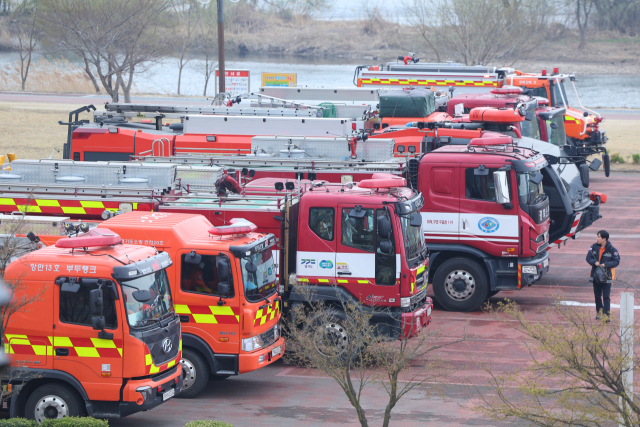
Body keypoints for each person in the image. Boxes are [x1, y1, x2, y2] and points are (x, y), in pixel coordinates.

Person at [586, 230, 620, 320]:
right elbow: (588, 258)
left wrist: (606, 264)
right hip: (596, 276)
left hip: (607, 276)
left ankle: (606, 315)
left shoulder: (612, 250)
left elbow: (616, 261)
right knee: (597, 296)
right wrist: (594, 262)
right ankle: (599, 313)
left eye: (599, 237)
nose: (597, 239)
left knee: (606, 296)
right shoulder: (593, 247)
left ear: (604, 239)